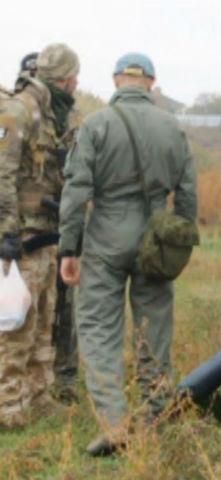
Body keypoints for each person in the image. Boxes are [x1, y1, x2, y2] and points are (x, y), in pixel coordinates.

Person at [58, 53, 197, 456]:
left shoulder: (96, 125)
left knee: (99, 327)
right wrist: (179, 240)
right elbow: (187, 194)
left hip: (106, 235)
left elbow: (76, 190)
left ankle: (115, 422)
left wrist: (70, 246)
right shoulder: (172, 127)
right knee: (154, 326)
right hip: (156, 235)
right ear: (151, 81)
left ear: (117, 79)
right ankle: (155, 416)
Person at [0, 43, 80, 428]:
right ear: (62, 78)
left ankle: (38, 393)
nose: (76, 85)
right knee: (16, 324)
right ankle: (8, 404)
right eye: (73, 78)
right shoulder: (18, 111)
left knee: (44, 321)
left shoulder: (50, 115)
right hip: (21, 240)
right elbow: (3, 174)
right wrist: (7, 232)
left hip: (45, 236)